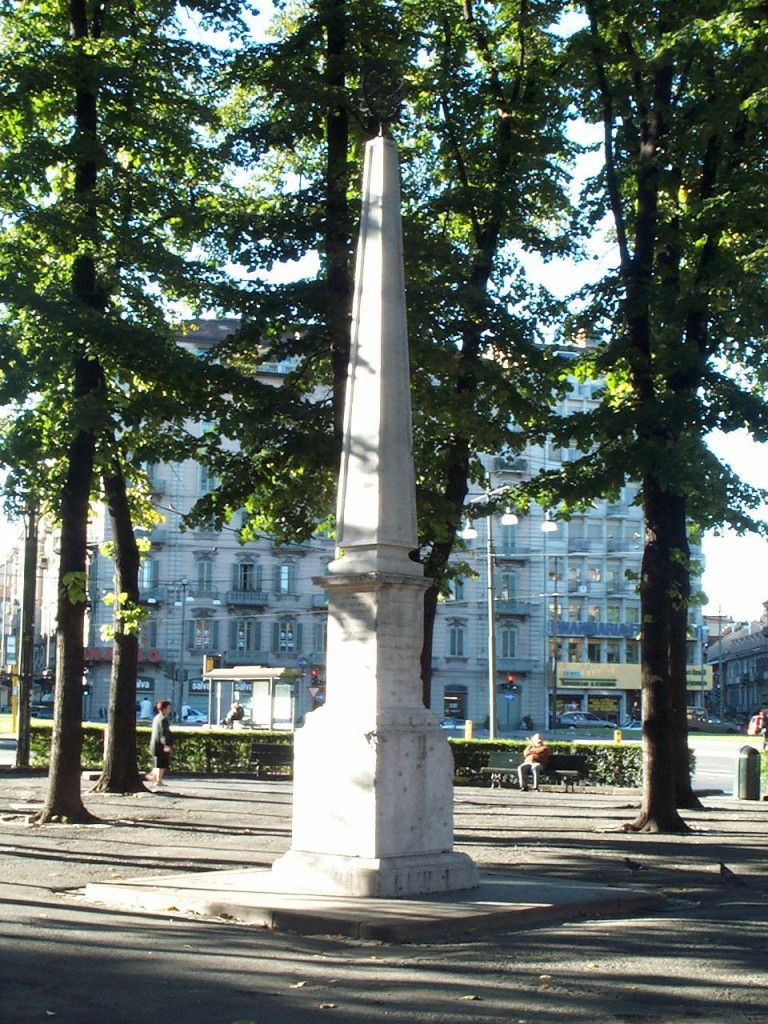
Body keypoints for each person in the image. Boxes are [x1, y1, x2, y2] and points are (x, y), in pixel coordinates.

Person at [145, 699, 173, 789]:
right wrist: (166, 745)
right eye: (168, 708)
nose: (169, 710)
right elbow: (164, 733)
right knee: (161, 764)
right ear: (164, 709)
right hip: (160, 745)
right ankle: (158, 780)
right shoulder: (163, 719)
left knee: (159, 763)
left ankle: (155, 778)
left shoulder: (157, 717)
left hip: (155, 744)